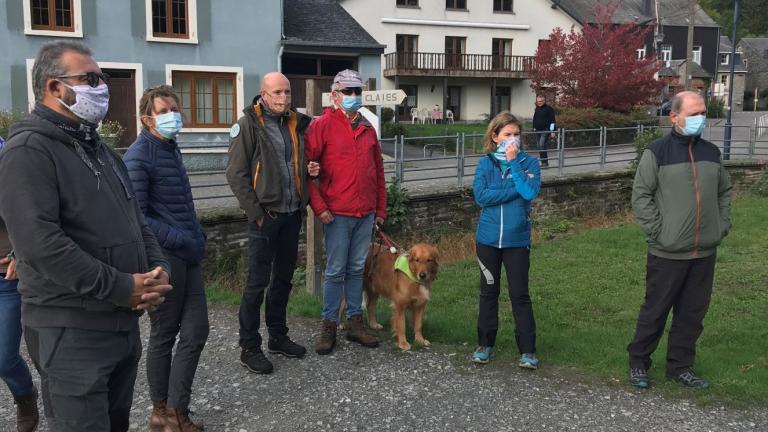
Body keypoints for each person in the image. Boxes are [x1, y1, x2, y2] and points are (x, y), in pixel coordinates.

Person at [0, 41, 171, 431]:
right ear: (55, 88)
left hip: (120, 324)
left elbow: (136, 220)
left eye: (102, 78)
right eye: (90, 79)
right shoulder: (28, 150)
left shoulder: (101, 151)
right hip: (70, 329)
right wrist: (119, 286)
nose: (101, 87)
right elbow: (40, 244)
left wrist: (155, 268)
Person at [627, 91, 732, 390]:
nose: (701, 118)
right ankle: (638, 363)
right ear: (674, 117)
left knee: (692, 315)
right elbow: (641, 195)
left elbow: (724, 192)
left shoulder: (711, 153)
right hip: (668, 252)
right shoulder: (657, 152)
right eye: (695, 113)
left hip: (704, 252)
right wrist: (658, 232)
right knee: (655, 311)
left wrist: (721, 225)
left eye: (703, 113)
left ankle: (680, 367)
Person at [123, 85, 208, 431]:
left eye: (176, 108)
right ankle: (164, 413)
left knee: (196, 331)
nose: (174, 114)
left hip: (188, 253)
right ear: (147, 118)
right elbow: (138, 216)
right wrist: (180, 238)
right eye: (165, 110)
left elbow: (179, 204)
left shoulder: (169, 148)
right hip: (164, 257)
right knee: (165, 334)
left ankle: (176, 408)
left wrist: (197, 235)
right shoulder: (138, 155)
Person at [226, 72, 318, 374]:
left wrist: (310, 169)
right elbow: (236, 175)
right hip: (265, 218)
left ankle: (278, 336)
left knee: (283, 280)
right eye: (277, 93)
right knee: (256, 284)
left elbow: (293, 166)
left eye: (287, 92)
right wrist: (256, 214)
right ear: (263, 95)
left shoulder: (295, 124)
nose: (283, 98)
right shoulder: (249, 125)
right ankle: (249, 347)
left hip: (292, 215)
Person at [306, 69, 387, 355]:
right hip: (337, 213)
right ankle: (330, 323)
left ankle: (355, 322)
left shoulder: (367, 128)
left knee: (356, 269)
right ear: (336, 94)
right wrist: (320, 207)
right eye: (348, 91)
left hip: (364, 213)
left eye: (357, 91)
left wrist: (380, 209)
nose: (354, 96)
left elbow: (377, 171)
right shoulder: (321, 126)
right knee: (336, 270)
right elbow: (307, 172)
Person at [471, 112, 541, 369]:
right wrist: (512, 190)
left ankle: (528, 350)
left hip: (516, 241)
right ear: (495, 136)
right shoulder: (485, 164)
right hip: (488, 241)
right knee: (488, 292)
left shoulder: (529, 164)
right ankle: (484, 345)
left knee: (519, 294)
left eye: (516, 134)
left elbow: (529, 192)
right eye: (507, 135)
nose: (513, 139)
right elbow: (481, 196)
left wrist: (513, 166)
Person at [1, 209, 39, 432]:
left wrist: (19, 252)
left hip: (9, 279)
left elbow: (32, 211)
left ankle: (24, 395)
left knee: (4, 360)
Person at [532, 95, 556, 168]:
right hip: (538, 130)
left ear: (544, 101)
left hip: (545, 130)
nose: (539, 103)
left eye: (540, 101)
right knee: (539, 146)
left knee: (541, 145)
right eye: (538, 101)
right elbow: (534, 118)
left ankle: (545, 163)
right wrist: (534, 127)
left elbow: (553, 120)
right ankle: (544, 162)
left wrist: (553, 131)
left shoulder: (549, 109)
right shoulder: (537, 109)